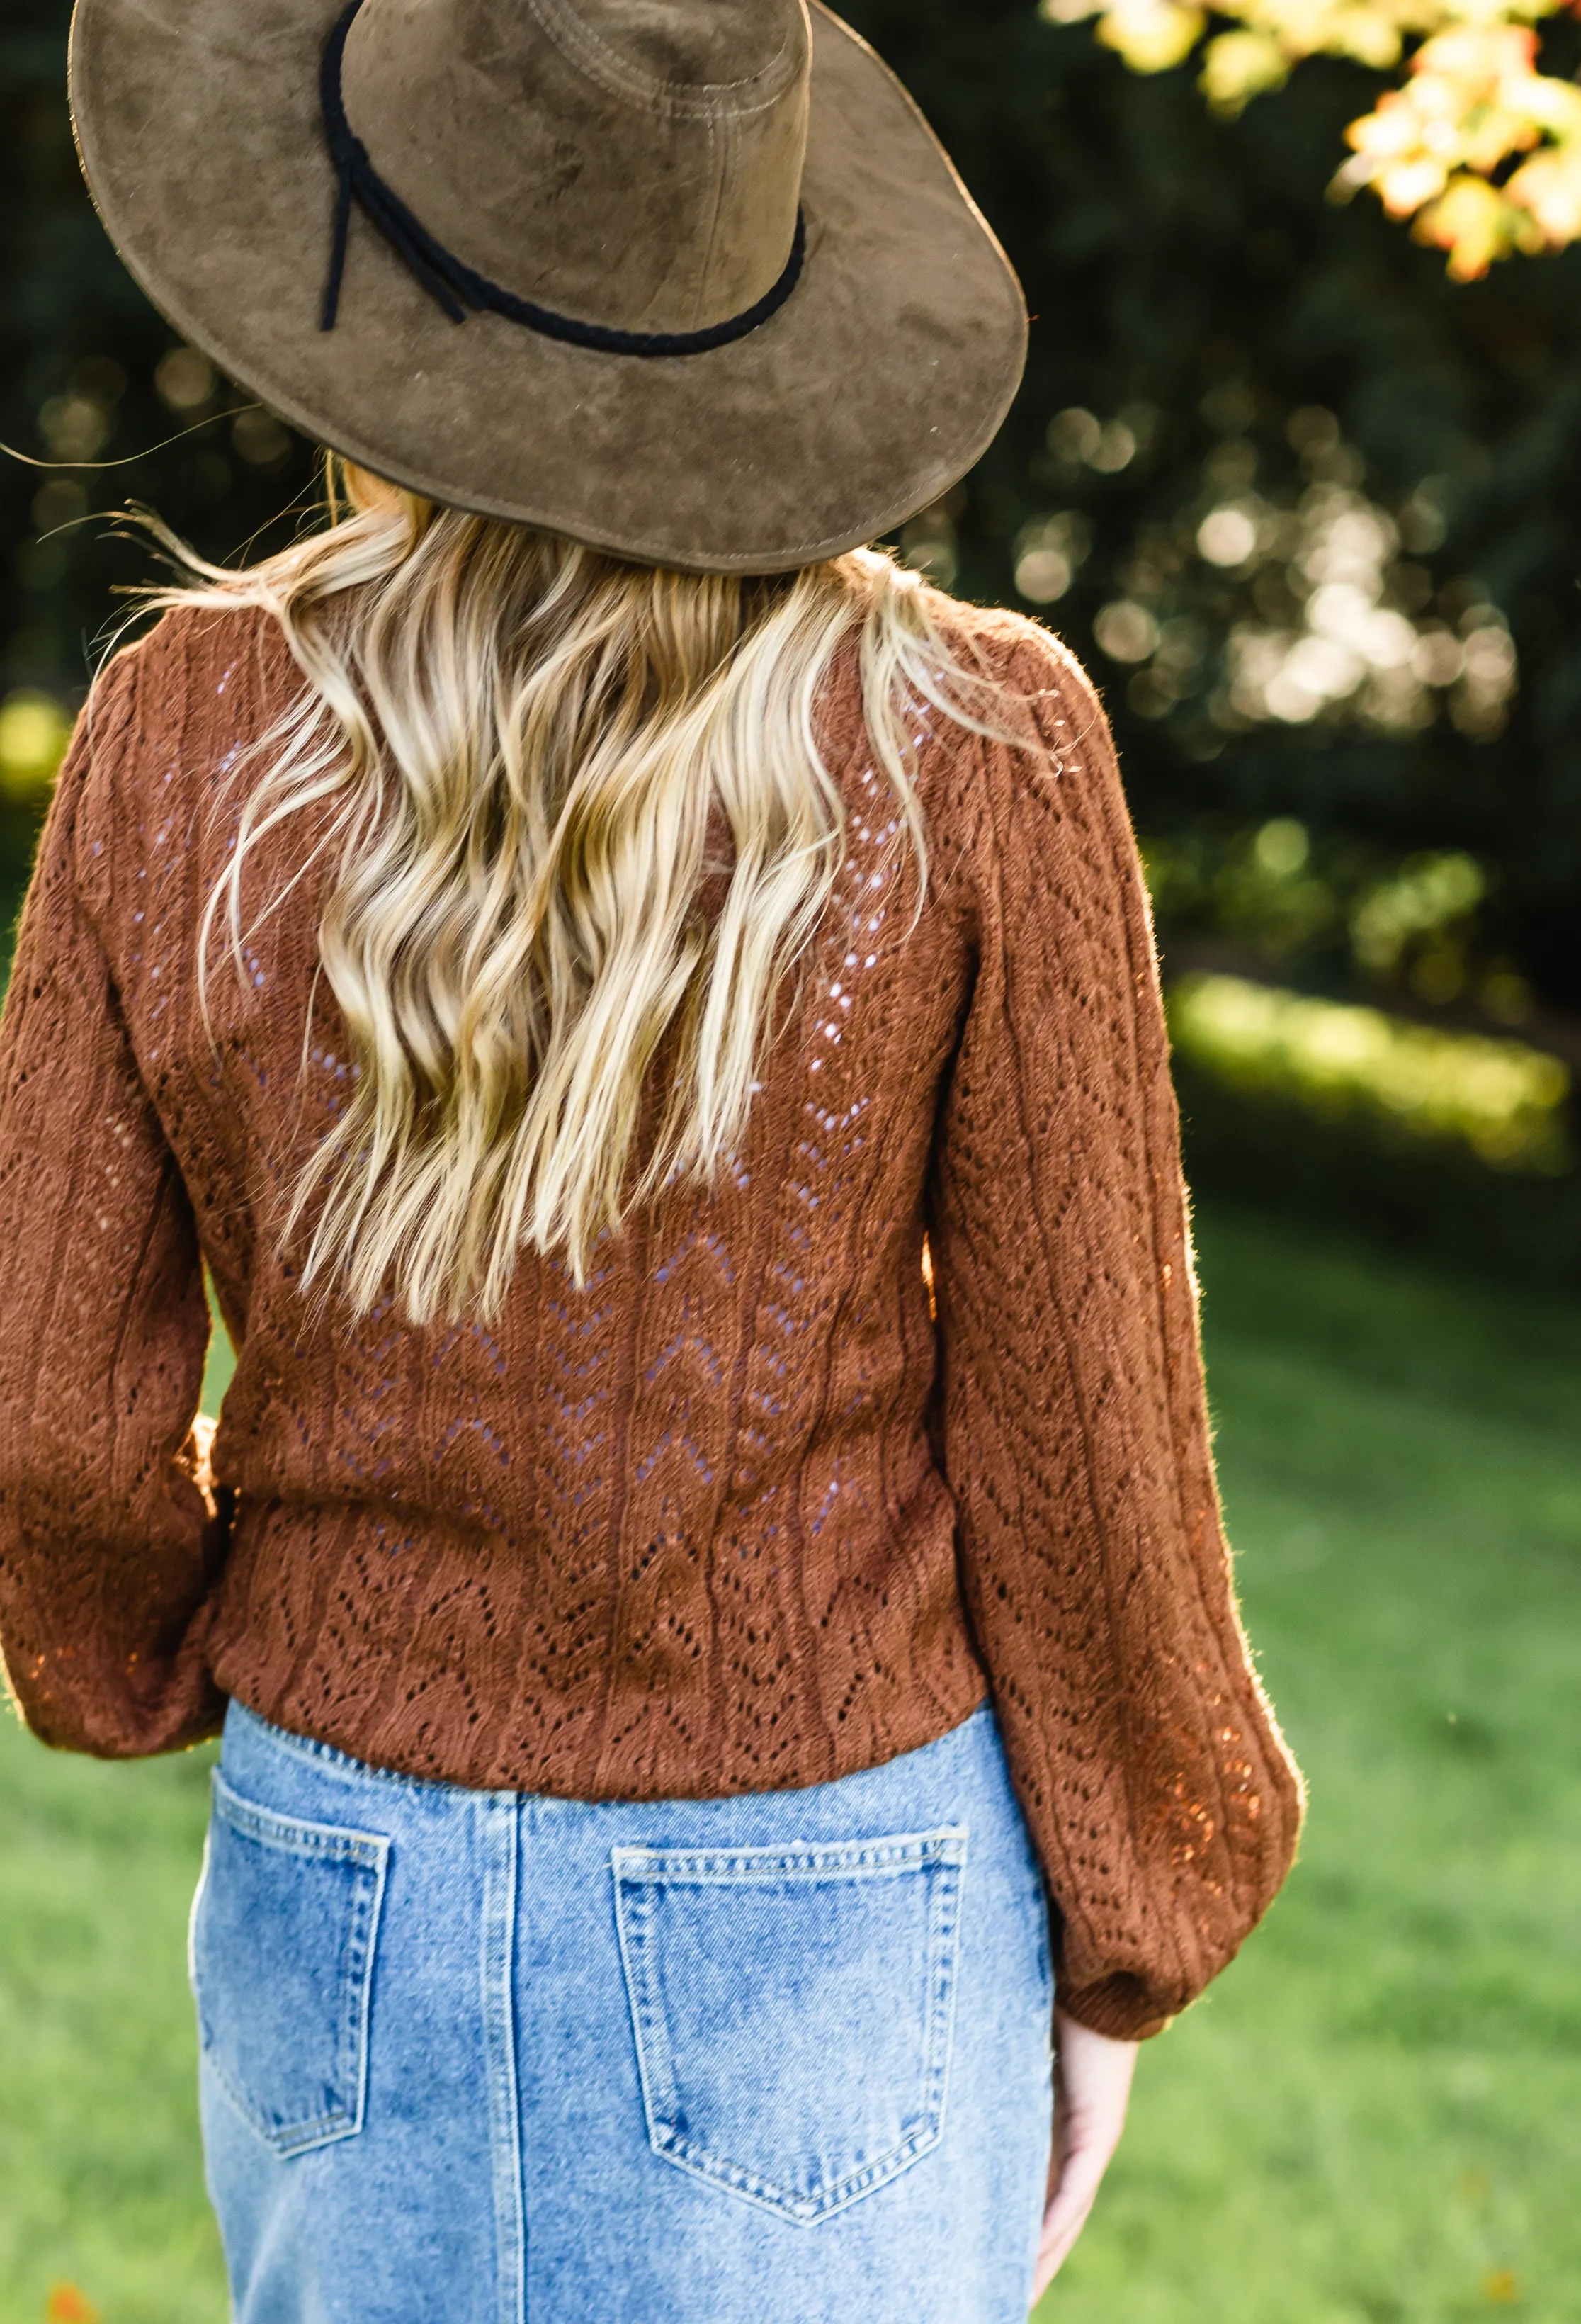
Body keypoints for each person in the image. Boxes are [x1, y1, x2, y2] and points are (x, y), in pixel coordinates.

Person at [0, 1, 1303, 2318]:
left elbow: (42, 1395)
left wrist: (145, 1650)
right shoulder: (976, 739)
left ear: (351, 267)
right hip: (836, 1896)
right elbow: (1085, 1425)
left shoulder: (179, 725)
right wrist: (1123, 1934)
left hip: (339, 1867)